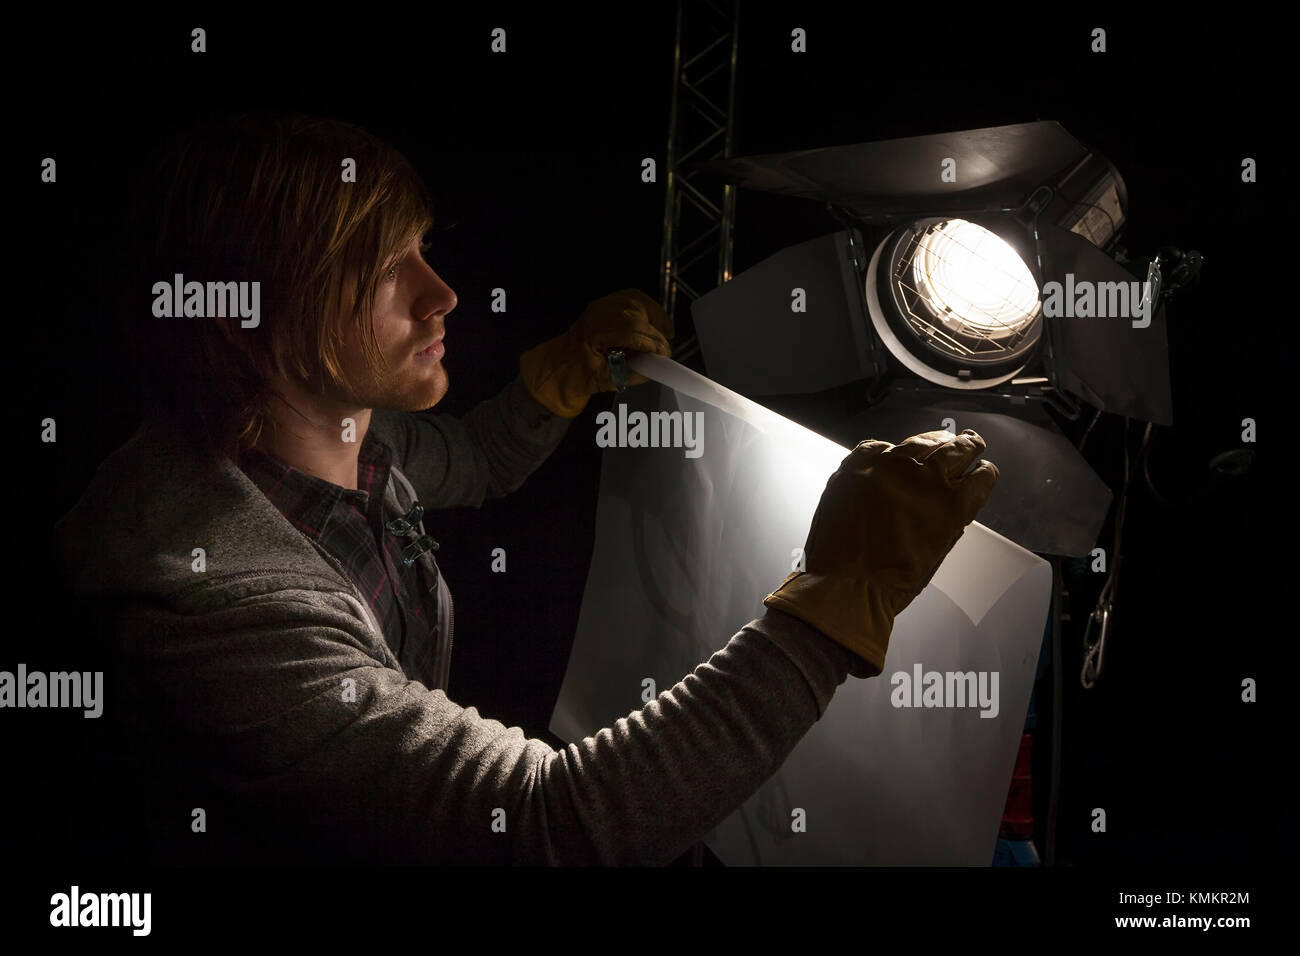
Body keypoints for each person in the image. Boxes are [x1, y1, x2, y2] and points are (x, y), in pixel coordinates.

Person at [52, 112, 999, 865]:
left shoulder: (327, 439)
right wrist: (832, 606)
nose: (442, 295)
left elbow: (470, 459)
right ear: (248, 312)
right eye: (382, 269)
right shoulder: (213, 603)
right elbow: (547, 826)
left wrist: (555, 383)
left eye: (421, 247)